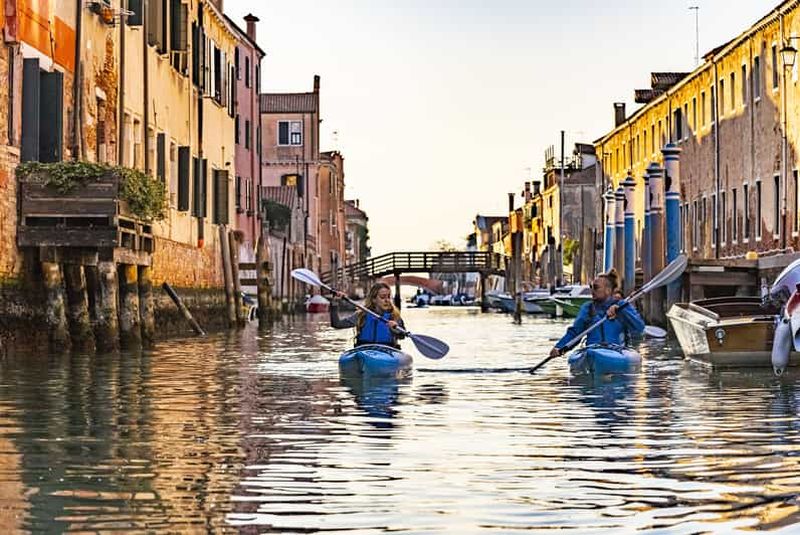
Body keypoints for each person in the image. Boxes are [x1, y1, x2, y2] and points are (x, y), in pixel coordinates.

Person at [548, 269, 644, 358]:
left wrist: (621, 310)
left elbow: (639, 328)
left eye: (596, 287)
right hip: (593, 350)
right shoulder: (587, 308)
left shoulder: (622, 306)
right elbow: (575, 333)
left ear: (608, 290)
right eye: (591, 287)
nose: (592, 291)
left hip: (617, 351)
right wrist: (559, 347)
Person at [330, 282, 406, 348]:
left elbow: (402, 336)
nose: (387, 300)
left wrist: (395, 330)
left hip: (387, 350)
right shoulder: (362, 315)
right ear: (373, 299)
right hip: (364, 350)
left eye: (388, 297)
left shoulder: (394, 316)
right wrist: (334, 303)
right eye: (382, 297)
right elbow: (337, 324)